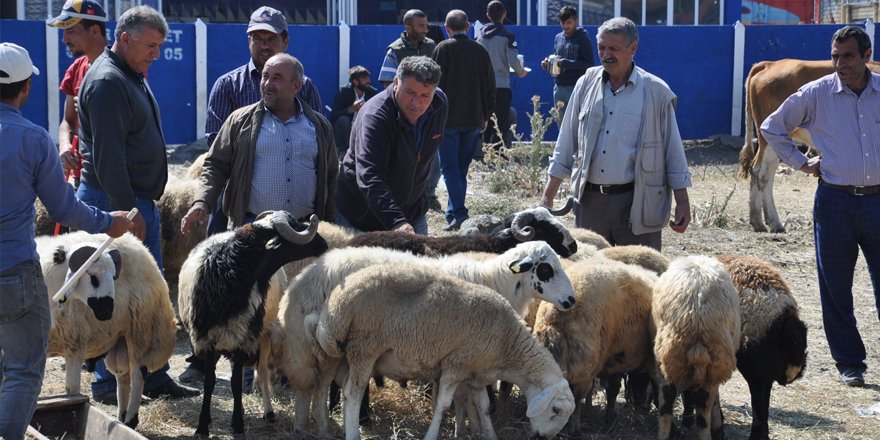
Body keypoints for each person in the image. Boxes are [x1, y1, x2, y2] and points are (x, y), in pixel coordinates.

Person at [0, 42, 132, 440]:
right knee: (23, 368)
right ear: (25, 89)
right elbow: (65, 209)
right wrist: (110, 222)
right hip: (14, 273)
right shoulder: (32, 139)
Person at [75, 5, 199, 403]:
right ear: (125, 39)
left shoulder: (128, 73)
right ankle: (108, 383)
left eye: (160, 46)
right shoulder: (109, 82)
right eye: (150, 45)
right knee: (114, 297)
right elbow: (108, 159)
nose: (156, 54)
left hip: (134, 203)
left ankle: (154, 374)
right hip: (116, 204)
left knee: (147, 295)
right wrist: (127, 214)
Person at [761, 25, 879, 388]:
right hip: (835, 202)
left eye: (848, 56)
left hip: (878, 201)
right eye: (835, 56)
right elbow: (771, 127)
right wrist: (801, 162)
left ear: (866, 56)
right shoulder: (816, 93)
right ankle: (850, 363)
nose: (840, 63)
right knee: (835, 286)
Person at [541, 17, 691, 251]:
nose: (606, 54)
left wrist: (682, 201)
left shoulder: (655, 92)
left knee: (640, 279)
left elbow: (673, 150)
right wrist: (548, 196)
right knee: (591, 278)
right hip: (590, 204)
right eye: (601, 47)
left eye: (614, 48)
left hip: (637, 203)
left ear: (633, 49)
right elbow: (566, 141)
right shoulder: (585, 83)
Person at [181, 53, 337, 235]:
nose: (267, 84)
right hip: (253, 228)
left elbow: (331, 176)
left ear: (296, 86)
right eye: (265, 76)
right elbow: (215, 165)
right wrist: (202, 202)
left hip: (303, 230)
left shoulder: (319, 126)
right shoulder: (239, 121)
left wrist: (329, 223)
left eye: (277, 78)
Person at [203, 5, 324, 236]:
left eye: (271, 38)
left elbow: (319, 141)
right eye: (257, 38)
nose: (264, 45)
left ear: (285, 42)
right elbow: (215, 145)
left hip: (299, 216)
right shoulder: (228, 86)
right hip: (241, 205)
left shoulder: (304, 87)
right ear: (249, 41)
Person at [335, 56, 447, 235]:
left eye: (425, 95)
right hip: (361, 216)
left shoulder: (439, 103)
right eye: (410, 92)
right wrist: (397, 221)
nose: (417, 103)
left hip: (412, 211)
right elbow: (370, 175)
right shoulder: (376, 116)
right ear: (395, 83)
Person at [432, 9, 495, 231]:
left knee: (450, 168)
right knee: (460, 168)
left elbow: (433, 85)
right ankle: (454, 211)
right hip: (473, 118)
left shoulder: (442, 49)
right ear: (468, 26)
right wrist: (486, 114)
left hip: (447, 119)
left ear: (447, 28)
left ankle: (459, 212)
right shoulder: (480, 50)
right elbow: (490, 84)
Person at [46, 0, 109, 180]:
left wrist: (89, 105)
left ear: (95, 31)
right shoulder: (75, 69)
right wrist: (65, 145)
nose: (64, 39)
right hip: (82, 175)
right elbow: (68, 120)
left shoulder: (124, 69)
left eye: (71, 31)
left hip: (116, 177)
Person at [477, 0, 528, 151]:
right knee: (501, 122)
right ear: (504, 14)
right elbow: (513, 60)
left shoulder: (480, 36)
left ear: (488, 15)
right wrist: (521, 72)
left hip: (483, 86)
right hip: (501, 86)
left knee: (484, 121)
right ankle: (499, 155)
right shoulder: (508, 36)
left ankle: (483, 154)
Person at [540, 5, 594, 119]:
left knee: (577, 126)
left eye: (569, 22)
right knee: (561, 128)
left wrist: (567, 63)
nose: (565, 26)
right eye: (562, 23)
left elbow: (589, 64)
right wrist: (548, 63)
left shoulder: (583, 38)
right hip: (559, 87)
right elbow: (557, 57)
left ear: (576, 21)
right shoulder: (558, 37)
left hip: (576, 87)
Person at [377, 9, 436, 88]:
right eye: (421, 26)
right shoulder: (395, 51)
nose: (426, 30)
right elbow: (388, 85)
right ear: (408, 27)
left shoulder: (431, 45)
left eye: (426, 25)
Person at [330, 65, 378, 157]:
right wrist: (351, 109)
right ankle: (342, 152)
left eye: (368, 77)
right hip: (348, 130)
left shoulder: (373, 93)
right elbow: (334, 115)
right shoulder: (344, 92)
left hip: (364, 128)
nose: (369, 81)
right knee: (343, 120)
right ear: (355, 82)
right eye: (364, 78)